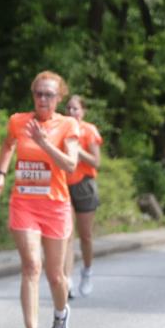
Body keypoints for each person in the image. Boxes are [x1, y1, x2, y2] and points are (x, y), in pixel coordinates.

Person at [0, 71, 80, 328]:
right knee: (31, 266)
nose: (42, 99)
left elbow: (71, 165)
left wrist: (44, 143)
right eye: (38, 93)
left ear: (59, 98)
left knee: (55, 276)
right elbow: (7, 145)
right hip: (24, 202)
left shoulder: (68, 125)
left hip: (55, 205)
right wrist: (1, 176)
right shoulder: (18, 121)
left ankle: (61, 313)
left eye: (49, 95)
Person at [62, 95, 103, 297]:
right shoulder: (61, 129)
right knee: (67, 234)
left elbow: (96, 162)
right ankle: (67, 279)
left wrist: (78, 151)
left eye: (75, 109)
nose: (71, 112)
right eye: (68, 108)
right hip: (64, 185)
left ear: (83, 111)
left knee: (85, 235)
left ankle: (87, 271)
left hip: (84, 184)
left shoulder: (89, 131)